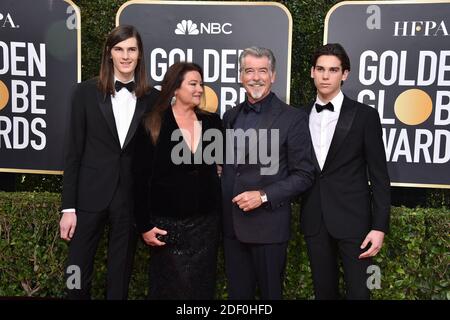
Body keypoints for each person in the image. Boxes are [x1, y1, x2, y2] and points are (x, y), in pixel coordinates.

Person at [59, 25, 159, 299]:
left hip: (128, 196)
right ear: (109, 53)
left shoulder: (154, 98)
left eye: (131, 50)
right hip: (89, 195)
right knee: (76, 267)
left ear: (139, 55)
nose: (125, 56)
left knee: (120, 270)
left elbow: (156, 155)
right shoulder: (84, 93)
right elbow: (73, 152)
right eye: (119, 49)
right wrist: (68, 207)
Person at [221, 47, 315, 299]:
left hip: (268, 228)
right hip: (231, 227)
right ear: (240, 76)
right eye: (249, 71)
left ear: (273, 76)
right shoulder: (229, 117)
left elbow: (304, 174)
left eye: (263, 70)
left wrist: (262, 195)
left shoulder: (292, 118)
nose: (256, 77)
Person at [300, 43, 391, 299]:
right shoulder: (298, 116)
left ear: (345, 74)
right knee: (324, 293)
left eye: (333, 69)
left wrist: (379, 227)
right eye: (320, 69)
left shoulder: (365, 116)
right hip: (315, 219)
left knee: (360, 293)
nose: (326, 76)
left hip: (355, 222)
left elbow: (380, 176)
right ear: (312, 72)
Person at [132, 62, 222, 300]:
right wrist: (144, 226)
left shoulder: (213, 122)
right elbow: (139, 180)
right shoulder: (152, 123)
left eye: (200, 84)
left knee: (201, 289)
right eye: (193, 84)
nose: (200, 89)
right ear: (174, 89)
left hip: (206, 224)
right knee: (168, 289)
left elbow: (221, 167)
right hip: (166, 225)